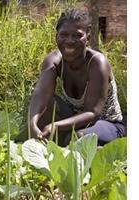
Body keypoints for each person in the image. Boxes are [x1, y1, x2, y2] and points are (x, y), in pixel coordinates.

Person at [29, 8, 126, 147]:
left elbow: (93, 113)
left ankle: (75, 147)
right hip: (72, 118)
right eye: (63, 35)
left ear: (88, 38)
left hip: (107, 123)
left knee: (79, 137)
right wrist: (32, 123)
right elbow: (41, 94)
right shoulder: (54, 61)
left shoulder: (97, 63)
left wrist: (55, 126)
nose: (69, 41)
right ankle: (45, 146)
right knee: (44, 105)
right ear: (56, 36)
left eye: (77, 35)